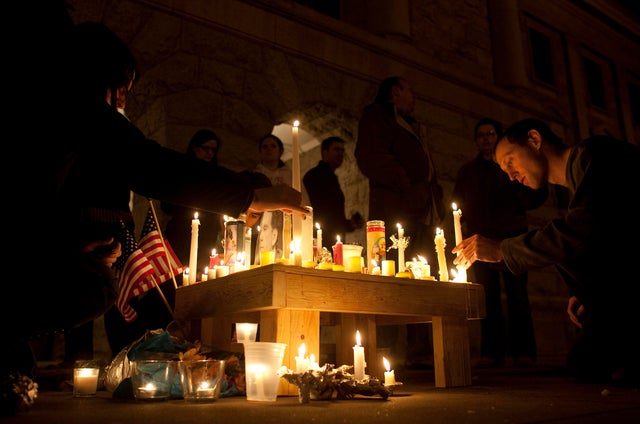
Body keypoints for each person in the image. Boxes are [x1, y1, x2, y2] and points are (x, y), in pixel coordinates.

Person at [6, 18, 307, 372]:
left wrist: (61, 242)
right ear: (101, 76)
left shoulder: (45, 103)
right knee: (98, 284)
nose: (121, 100)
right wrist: (250, 196)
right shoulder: (74, 106)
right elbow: (151, 166)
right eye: (122, 87)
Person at [453, 118, 640, 386]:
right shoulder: (581, 173)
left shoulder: (596, 156)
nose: (510, 175)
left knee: (589, 362)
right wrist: (584, 289)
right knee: (585, 362)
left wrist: (503, 249)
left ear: (534, 139)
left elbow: (582, 231)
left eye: (510, 162)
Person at [355, 76, 446, 368]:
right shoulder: (377, 116)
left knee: (420, 275)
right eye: (411, 90)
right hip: (397, 209)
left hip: (419, 209)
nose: (414, 97)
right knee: (392, 274)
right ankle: (389, 351)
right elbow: (371, 156)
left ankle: (421, 349)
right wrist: (407, 184)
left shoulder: (411, 124)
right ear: (395, 92)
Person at [452, 118, 547, 368]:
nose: (486, 139)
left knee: (518, 296)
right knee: (488, 298)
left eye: (490, 134)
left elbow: (530, 195)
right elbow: (458, 203)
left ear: (498, 137)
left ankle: (524, 352)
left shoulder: (509, 167)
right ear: (476, 140)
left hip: (511, 236)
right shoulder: (467, 172)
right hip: (479, 241)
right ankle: (491, 352)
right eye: (481, 135)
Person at [161, 129, 226, 271]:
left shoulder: (215, 174)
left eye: (213, 150)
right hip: (182, 229)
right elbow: (166, 204)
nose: (209, 153)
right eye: (205, 148)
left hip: (207, 232)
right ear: (195, 147)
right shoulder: (181, 170)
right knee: (179, 270)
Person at [303, 136, 364, 248]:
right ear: (325, 152)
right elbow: (321, 211)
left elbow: (334, 215)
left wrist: (350, 224)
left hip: (331, 238)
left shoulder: (331, 177)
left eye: (342, 150)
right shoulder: (314, 176)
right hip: (321, 239)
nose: (340, 154)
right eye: (336, 149)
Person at [253, 134, 292, 263]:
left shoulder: (288, 175)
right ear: (260, 151)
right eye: (265, 146)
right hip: (260, 222)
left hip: (284, 222)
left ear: (280, 151)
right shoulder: (256, 174)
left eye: (273, 146)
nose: (268, 149)